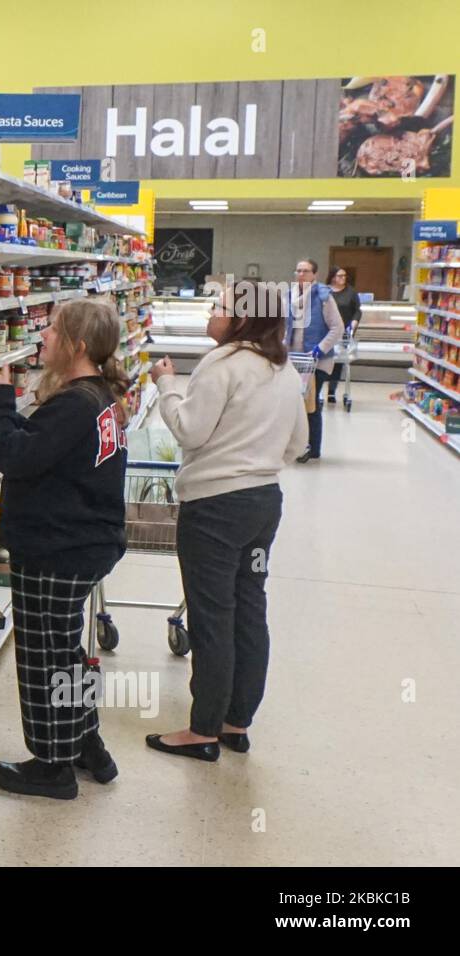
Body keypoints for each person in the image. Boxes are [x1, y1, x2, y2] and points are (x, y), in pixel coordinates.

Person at [0, 298, 128, 799]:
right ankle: (86, 744)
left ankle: (51, 765)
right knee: (66, 650)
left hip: (57, 547)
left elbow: (17, 459)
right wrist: (3, 411)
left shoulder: (74, 403)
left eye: (53, 330)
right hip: (85, 542)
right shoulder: (98, 396)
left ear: (77, 346)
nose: (43, 335)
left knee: (44, 656)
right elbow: (44, 451)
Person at [145, 281, 308, 761]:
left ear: (241, 319)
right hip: (262, 503)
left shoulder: (222, 363)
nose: (208, 315)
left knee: (212, 615)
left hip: (214, 508)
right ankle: (236, 722)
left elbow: (189, 432)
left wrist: (165, 385)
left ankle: (202, 731)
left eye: (217, 307)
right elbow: (296, 443)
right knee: (249, 609)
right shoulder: (282, 370)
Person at [285, 258, 343, 462]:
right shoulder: (289, 296)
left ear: (314, 275)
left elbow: (338, 327)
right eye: (298, 270)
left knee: (310, 404)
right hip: (293, 360)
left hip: (315, 361)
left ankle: (313, 447)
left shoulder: (324, 297)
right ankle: (295, 444)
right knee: (292, 403)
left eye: (306, 271)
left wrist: (321, 348)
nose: (301, 275)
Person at [325, 266, 361, 405]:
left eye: (344, 276)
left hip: (343, 333)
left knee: (339, 362)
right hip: (326, 331)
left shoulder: (351, 293)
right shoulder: (325, 291)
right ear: (333, 277)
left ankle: (332, 390)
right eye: (340, 276)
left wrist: (354, 322)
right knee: (324, 361)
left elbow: (357, 311)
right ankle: (320, 389)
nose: (343, 278)